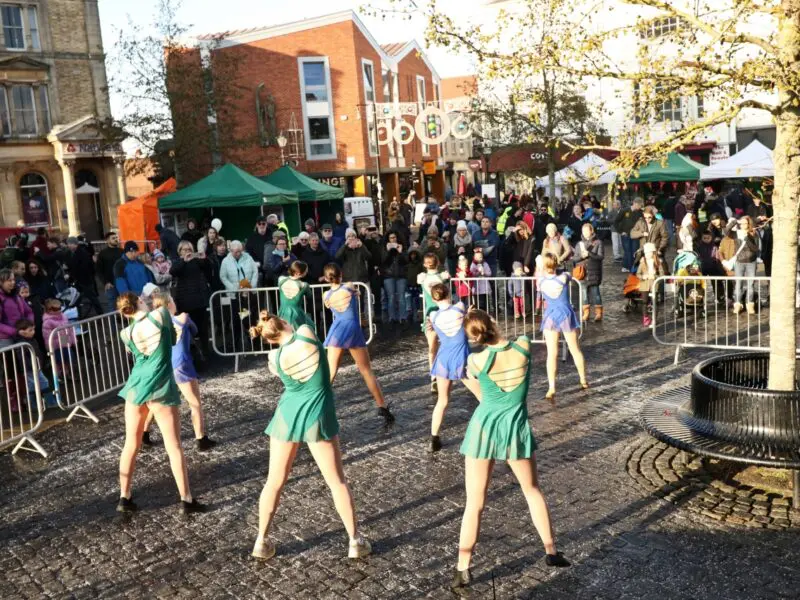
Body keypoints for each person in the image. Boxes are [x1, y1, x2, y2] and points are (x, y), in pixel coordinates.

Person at [451, 309, 569, 591]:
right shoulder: (524, 345)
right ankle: (551, 551)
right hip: (514, 427)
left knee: (475, 502)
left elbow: (483, 394)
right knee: (532, 490)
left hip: (483, 428)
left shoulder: (476, 359)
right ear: (493, 322)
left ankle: (462, 569)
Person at [248, 314, 371, 561]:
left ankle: (261, 540)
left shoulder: (274, 357)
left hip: (287, 414)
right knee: (337, 482)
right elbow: (302, 324)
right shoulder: (306, 332)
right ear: (283, 323)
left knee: (274, 482)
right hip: (317, 414)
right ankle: (355, 541)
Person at [115, 292, 206, 514]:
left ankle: (124, 497)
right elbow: (173, 340)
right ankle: (186, 499)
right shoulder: (161, 314)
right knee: (173, 447)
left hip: (135, 388)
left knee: (130, 445)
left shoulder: (125, 332)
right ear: (138, 302)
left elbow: (137, 353)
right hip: (160, 387)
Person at [140, 291, 216, 451]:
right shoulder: (182, 318)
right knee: (194, 403)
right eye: (173, 300)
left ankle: (144, 434)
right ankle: (201, 438)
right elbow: (195, 331)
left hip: (163, 366)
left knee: (156, 403)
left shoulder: (154, 324)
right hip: (182, 364)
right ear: (169, 304)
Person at [322, 263, 394, 426]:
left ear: (326, 278)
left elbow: (329, 305)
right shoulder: (349, 286)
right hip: (353, 329)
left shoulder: (326, 295)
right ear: (341, 274)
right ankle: (382, 406)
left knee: (331, 370)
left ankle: (318, 404)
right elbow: (356, 293)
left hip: (338, 329)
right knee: (366, 370)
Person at [427, 283, 470, 453]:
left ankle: (434, 438)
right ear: (449, 294)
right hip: (462, 358)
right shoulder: (459, 307)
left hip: (444, 358)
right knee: (482, 395)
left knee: (442, 400)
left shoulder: (433, 315)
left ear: (433, 298)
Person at [538, 254, 587, 400]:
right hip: (565, 314)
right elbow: (568, 275)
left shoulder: (541, 282)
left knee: (551, 353)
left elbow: (543, 276)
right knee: (575, 349)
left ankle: (551, 387)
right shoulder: (564, 277)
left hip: (551, 315)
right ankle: (583, 379)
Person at [170, 241, 212, 361]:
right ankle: (191, 355)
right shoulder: (178, 261)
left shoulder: (196, 261)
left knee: (203, 329)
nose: (187, 251)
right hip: (186, 302)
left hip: (199, 300)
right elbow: (173, 271)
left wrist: (204, 259)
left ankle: (206, 353)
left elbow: (207, 269)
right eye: (185, 249)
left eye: (189, 249)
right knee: (187, 330)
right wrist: (184, 260)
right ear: (180, 251)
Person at [418, 253, 450, 392]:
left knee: (432, 348)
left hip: (430, 314)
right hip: (444, 313)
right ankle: (446, 374)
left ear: (425, 264)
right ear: (437, 263)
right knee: (447, 345)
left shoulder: (422, 278)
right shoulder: (443, 277)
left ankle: (434, 377)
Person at [726, 216, 759, 315]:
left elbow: (755, 249)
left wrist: (747, 238)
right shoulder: (736, 233)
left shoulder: (753, 233)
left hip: (751, 261)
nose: (743, 225)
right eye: (742, 223)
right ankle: (738, 304)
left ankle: (750, 304)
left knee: (750, 284)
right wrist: (735, 221)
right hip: (739, 261)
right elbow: (726, 231)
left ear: (749, 224)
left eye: (745, 223)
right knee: (738, 284)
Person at [64, 236, 103, 316]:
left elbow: (84, 267)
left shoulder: (82, 253)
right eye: (68, 244)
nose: (69, 246)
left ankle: (100, 313)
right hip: (78, 280)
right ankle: (79, 314)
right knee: (77, 298)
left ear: (74, 244)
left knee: (92, 297)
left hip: (85, 280)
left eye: (70, 244)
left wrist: (70, 272)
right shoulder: (71, 253)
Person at [42, 297, 75, 379]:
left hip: (65, 341)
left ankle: (66, 374)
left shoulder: (64, 316)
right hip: (55, 345)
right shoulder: (47, 322)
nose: (59, 310)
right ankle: (58, 376)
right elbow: (47, 336)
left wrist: (73, 339)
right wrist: (50, 347)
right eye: (56, 309)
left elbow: (70, 329)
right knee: (58, 361)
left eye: (60, 308)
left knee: (67, 359)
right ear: (49, 310)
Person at [277, 261, 314, 331]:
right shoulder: (304, 285)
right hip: (296, 314)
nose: (306, 273)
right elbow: (310, 295)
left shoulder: (281, 279)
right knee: (309, 328)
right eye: (305, 272)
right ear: (299, 273)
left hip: (282, 312)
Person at [381, 231, 408, 326]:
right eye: (391, 238)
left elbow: (406, 261)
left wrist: (400, 252)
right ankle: (392, 317)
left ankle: (403, 317)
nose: (393, 239)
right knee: (391, 297)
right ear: (388, 239)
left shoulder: (402, 247)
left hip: (401, 275)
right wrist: (388, 251)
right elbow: (383, 261)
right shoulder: (384, 248)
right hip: (389, 275)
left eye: (394, 237)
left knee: (401, 297)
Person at [636, 243, 667, 327]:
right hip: (645, 284)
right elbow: (638, 273)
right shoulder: (642, 262)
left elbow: (662, 274)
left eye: (648, 253)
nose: (647, 255)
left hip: (654, 284)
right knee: (644, 302)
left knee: (654, 302)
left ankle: (654, 319)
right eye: (645, 253)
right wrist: (643, 276)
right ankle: (645, 317)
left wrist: (655, 276)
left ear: (652, 253)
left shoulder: (658, 262)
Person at [96, 232, 124, 312]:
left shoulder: (122, 251)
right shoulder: (103, 254)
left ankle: (125, 322)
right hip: (110, 284)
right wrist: (105, 282)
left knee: (125, 303)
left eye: (116, 237)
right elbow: (99, 270)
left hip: (122, 282)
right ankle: (113, 324)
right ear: (107, 241)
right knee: (112, 306)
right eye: (113, 238)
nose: (116, 239)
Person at [615, 198, 643, 272]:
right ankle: (630, 268)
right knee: (628, 251)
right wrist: (620, 231)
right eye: (640, 205)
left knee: (634, 251)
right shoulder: (624, 211)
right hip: (626, 235)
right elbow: (616, 221)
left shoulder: (640, 212)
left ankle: (631, 267)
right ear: (635, 203)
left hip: (635, 235)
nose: (640, 207)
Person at [469, 248, 492, 312]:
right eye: (478, 257)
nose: (479, 258)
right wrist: (478, 273)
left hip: (484, 287)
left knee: (486, 302)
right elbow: (471, 274)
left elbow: (489, 273)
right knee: (478, 303)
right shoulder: (473, 265)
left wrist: (484, 273)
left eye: (481, 257)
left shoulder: (485, 264)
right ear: (474, 257)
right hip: (477, 288)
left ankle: (487, 313)